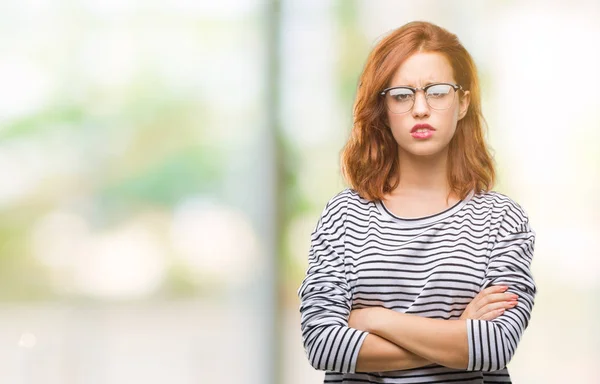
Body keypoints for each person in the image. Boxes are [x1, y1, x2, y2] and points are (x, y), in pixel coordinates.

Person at [297, 21, 536, 383]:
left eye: (437, 92)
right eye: (402, 95)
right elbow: (322, 345)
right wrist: (458, 334)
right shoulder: (343, 216)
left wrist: (374, 319)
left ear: (462, 103)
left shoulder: (501, 219)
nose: (421, 109)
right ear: (383, 108)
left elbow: (495, 346)